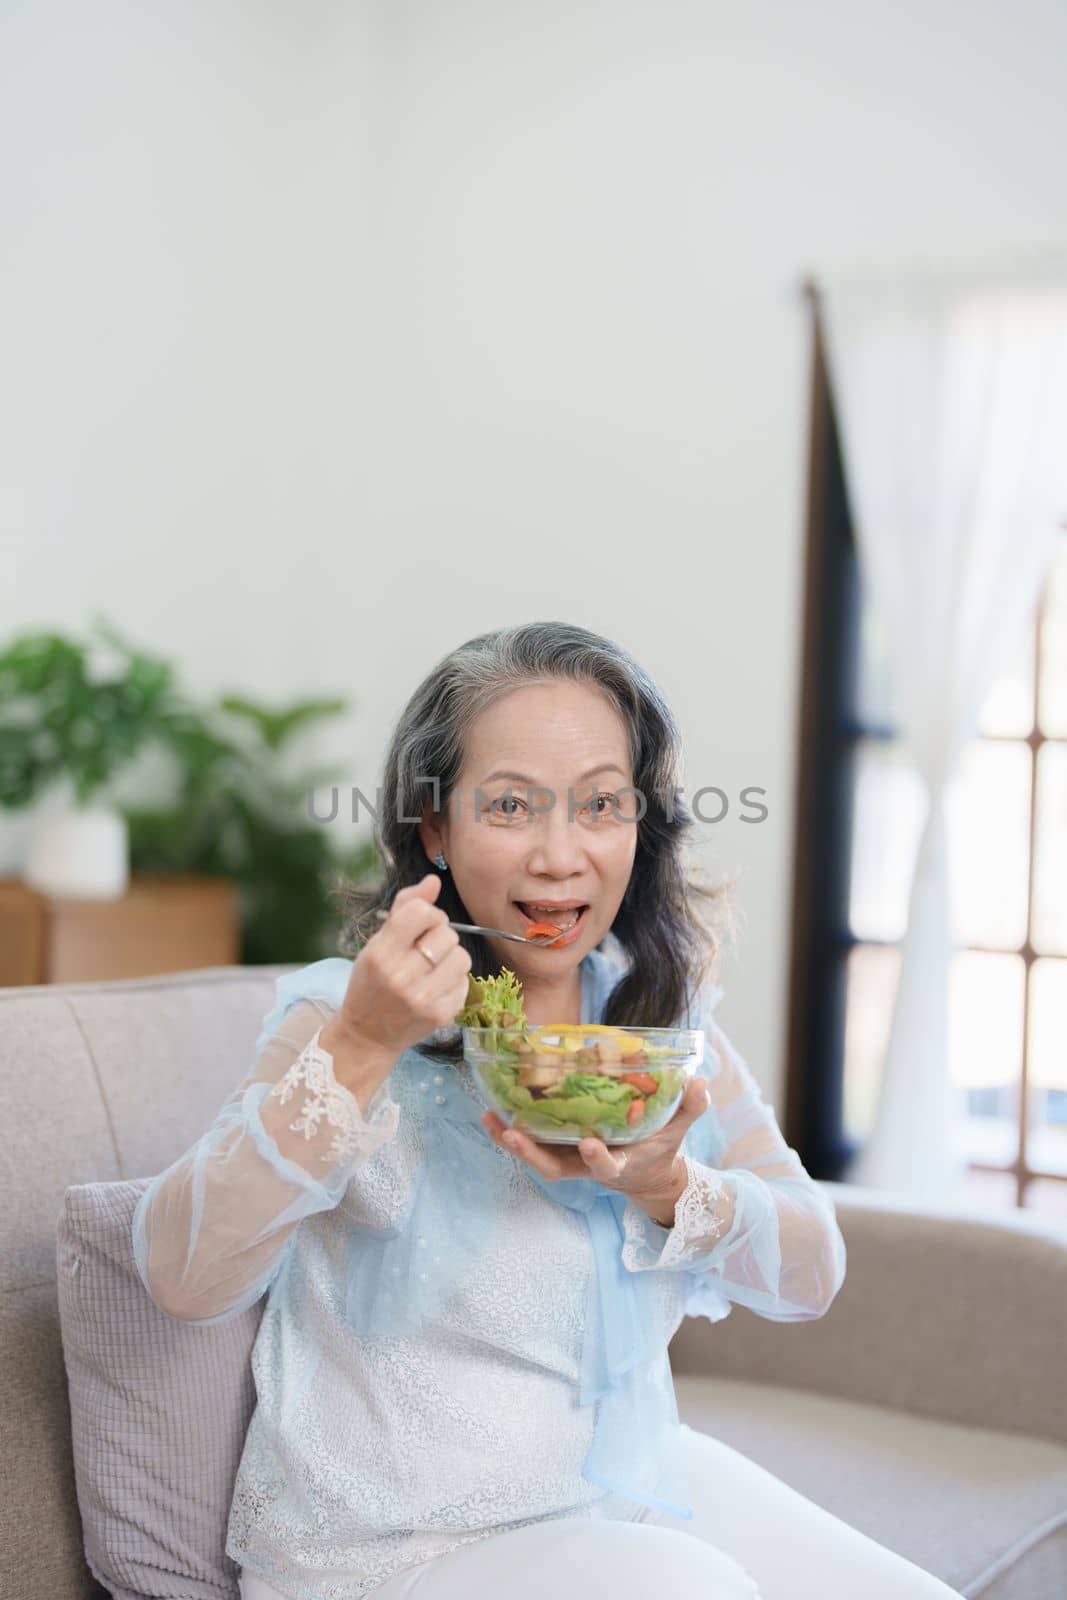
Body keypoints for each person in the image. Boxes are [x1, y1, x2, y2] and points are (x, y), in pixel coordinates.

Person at [133, 620, 965, 1600]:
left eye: (600, 804)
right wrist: (361, 1044)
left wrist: (671, 1186)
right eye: (511, 805)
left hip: (615, 1494)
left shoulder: (654, 1028)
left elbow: (811, 1266)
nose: (560, 855)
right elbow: (179, 1274)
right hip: (387, 1555)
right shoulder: (344, 1011)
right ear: (433, 826)